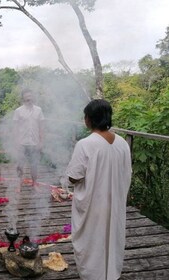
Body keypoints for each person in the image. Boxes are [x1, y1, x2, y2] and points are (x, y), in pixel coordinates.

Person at [66, 99, 132, 280]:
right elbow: (127, 172)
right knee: (112, 238)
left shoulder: (86, 144)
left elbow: (74, 176)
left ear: (89, 119)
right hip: (115, 202)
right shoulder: (122, 143)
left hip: (94, 205)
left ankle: (93, 275)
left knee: (93, 240)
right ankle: (111, 273)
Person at [13, 89, 44, 188]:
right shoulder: (18, 111)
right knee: (20, 164)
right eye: (26, 97)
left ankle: (34, 183)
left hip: (34, 142)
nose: (28, 98)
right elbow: (15, 128)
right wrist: (16, 141)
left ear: (33, 97)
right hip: (22, 142)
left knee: (34, 165)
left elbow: (41, 127)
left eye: (30, 96)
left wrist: (41, 141)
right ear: (23, 98)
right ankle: (19, 183)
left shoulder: (38, 110)